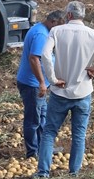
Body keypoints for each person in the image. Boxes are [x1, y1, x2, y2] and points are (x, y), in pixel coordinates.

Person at [35, 1, 94, 179]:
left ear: (68, 15)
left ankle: (43, 172)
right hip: (83, 93)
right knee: (79, 135)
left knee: (50, 132)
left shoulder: (57, 31)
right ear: (83, 16)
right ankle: (74, 173)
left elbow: (44, 54)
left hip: (60, 91)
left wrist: (52, 79)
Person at [15, 9, 66, 160]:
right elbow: (34, 59)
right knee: (33, 119)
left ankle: (44, 148)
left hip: (36, 84)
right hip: (32, 85)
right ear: (53, 22)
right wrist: (42, 82)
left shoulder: (41, 29)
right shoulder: (41, 35)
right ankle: (32, 153)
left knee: (42, 117)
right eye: (59, 27)